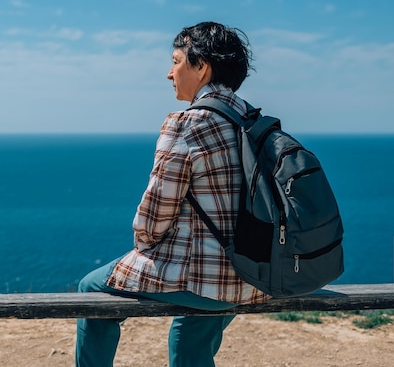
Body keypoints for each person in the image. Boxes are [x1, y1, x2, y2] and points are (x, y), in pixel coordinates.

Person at [75, 21, 270, 367]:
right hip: (254, 275)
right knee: (191, 335)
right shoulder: (253, 120)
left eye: (177, 61)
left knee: (90, 289)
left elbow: (154, 218)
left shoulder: (186, 123)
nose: (170, 73)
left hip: (207, 280)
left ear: (202, 67)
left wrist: (146, 244)